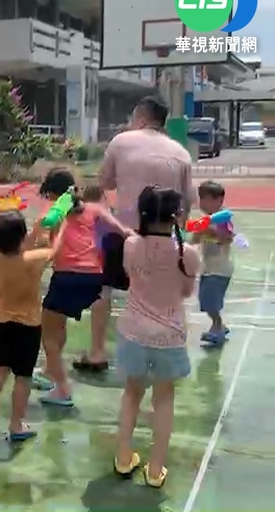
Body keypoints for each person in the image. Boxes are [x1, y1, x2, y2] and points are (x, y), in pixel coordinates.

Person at [91, 96, 193, 373]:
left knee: (103, 291)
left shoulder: (122, 141)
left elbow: (105, 181)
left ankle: (97, 351)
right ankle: (163, 346)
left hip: (124, 231)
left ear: (141, 119)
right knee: (163, 292)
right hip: (164, 234)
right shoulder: (180, 152)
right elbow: (188, 201)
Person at [113, 186, 200, 488]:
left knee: (132, 393)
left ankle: (124, 459)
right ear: (176, 216)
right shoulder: (187, 253)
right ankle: (155, 471)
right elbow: (186, 292)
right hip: (169, 334)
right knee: (163, 399)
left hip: (133, 330)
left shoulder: (131, 245)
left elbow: (130, 276)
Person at [36, 168, 131, 407]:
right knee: (58, 324)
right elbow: (124, 231)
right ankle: (51, 371)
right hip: (93, 278)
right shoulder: (94, 209)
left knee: (48, 333)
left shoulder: (54, 212)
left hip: (67, 275)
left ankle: (62, 389)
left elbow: (44, 240)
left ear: (52, 192)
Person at [0, 211, 55, 441]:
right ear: (21, 235)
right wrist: (55, 229)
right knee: (23, 377)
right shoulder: (34, 259)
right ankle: (16, 424)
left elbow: (20, 251)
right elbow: (55, 251)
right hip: (28, 325)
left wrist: (34, 232)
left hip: (3, 321)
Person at [192, 181, 233, 347]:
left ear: (219, 200)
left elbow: (228, 238)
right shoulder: (206, 220)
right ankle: (217, 325)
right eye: (200, 198)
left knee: (210, 301)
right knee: (205, 300)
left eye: (206, 199)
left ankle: (218, 327)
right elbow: (195, 239)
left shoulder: (223, 217)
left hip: (220, 268)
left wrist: (211, 231)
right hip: (209, 267)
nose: (201, 203)